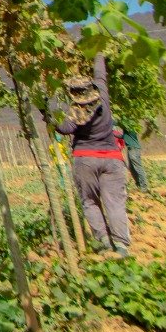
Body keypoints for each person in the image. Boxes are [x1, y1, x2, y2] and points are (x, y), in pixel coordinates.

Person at [56, 55, 132, 256]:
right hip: (112, 158)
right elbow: (101, 76)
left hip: (85, 160)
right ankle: (122, 245)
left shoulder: (75, 113)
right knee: (115, 202)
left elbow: (64, 129)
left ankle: (104, 242)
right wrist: (98, 54)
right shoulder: (103, 98)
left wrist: (49, 113)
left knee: (89, 201)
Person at [114, 121, 150, 192]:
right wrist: (113, 133)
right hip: (131, 148)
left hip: (133, 149)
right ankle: (139, 185)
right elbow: (123, 136)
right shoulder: (128, 128)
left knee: (138, 167)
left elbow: (116, 123)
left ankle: (144, 187)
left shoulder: (128, 124)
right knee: (132, 168)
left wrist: (105, 120)